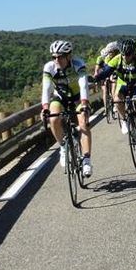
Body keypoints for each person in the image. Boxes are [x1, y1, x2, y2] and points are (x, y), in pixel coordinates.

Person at [41, 40, 92, 177]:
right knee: (54, 118)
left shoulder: (78, 64)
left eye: (60, 56)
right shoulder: (49, 67)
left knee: (83, 123)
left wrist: (85, 104)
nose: (57, 59)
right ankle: (63, 146)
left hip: (77, 97)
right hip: (61, 97)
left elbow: (83, 85)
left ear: (69, 56)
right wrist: (45, 108)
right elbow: (46, 88)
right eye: (54, 57)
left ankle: (87, 159)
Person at [92, 38, 136, 154]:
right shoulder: (117, 59)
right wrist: (95, 78)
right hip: (123, 84)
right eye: (124, 54)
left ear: (134, 53)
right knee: (117, 100)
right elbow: (106, 72)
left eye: (128, 54)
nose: (126, 57)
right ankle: (124, 119)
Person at [93, 40, 120, 119]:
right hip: (103, 74)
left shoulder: (113, 57)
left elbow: (112, 68)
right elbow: (97, 69)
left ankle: (115, 103)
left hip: (110, 72)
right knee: (104, 91)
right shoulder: (100, 59)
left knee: (113, 85)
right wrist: (96, 76)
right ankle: (106, 108)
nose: (108, 55)